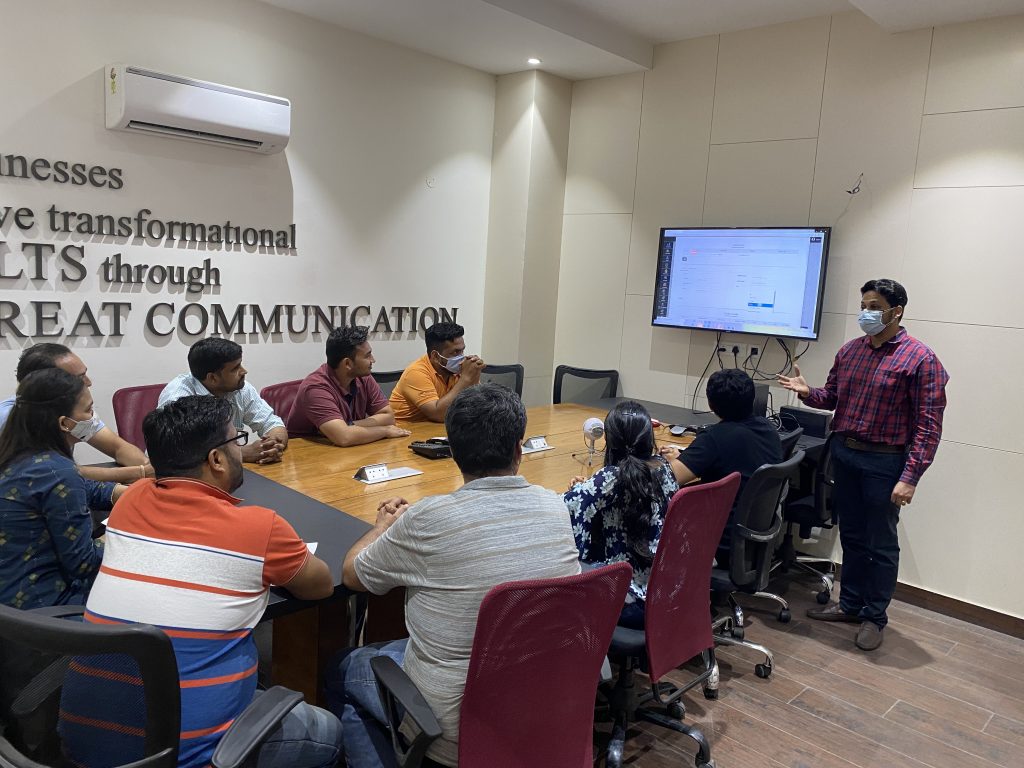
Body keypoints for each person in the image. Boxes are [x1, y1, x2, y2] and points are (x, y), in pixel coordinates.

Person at [58, 395, 342, 768]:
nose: (240, 450)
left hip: (84, 742)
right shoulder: (260, 528)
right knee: (327, 730)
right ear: (216, 459)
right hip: (184, 757)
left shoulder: (130, 502)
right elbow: (320, 586)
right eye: (236, 440)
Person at [326, 384, 580, 767]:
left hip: (455, 728)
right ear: (518, 449)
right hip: (545, 706)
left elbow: (352, 575)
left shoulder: (428, 519)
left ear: (453, 453)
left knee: (343, 667)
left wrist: (381, 527)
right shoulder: (555, 506)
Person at [778, 278, 948, 652]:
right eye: (863, 306)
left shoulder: (921, 359)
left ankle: (875, 616)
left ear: (896, 311)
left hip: (885, 461)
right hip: (844, 454)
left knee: (881, 543)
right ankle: (851, 604)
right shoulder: (851, 351)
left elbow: (928, 426)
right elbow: (832, 397)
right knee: (852, 535)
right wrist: (808, 393)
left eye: (874, 307)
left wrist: (911, 476)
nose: (866, 313)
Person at [0, 369, 126, 610]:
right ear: (65, 423)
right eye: (89, 410)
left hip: (10, 604)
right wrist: (127, 534)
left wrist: (125, 492)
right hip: (48, 610)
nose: (93, 417)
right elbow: (85, 563)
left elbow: (83, 487)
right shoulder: (57, 471)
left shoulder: (16, 454)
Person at [563, 401, 678, 629]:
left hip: (629, 601)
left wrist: (580, 490)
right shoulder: (663, 468)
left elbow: (563, 508)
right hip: (667, 591)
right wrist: (590, 487)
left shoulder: (609, 478)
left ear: (610, 441)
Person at [659, 368, 783, 566]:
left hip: (719, 542)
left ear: (711, 404)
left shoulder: (715, 438)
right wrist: (686, 458)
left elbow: (667, 478)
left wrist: (666, 459)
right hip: (752, 537)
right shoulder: (768, 428)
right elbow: (733, 458)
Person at [0, 343, 152, 484]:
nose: (88, 382)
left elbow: (118, 448)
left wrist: (152, 469)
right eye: (79, 378)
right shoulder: (11, 420)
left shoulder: (74, 412)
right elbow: (50, 472)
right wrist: (140, 473)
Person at [159, 337, 289, 464]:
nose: (244, 371)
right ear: (213, 378)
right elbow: (177, 453)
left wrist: (271, 445)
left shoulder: (240, 389)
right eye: (235, 368)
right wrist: (241, 453)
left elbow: (271, 423)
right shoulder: (178, 398)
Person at [287, 325, 410, 446]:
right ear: (347, 364)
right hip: (307, 453)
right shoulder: (315, 388)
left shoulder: (364, 377)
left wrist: (350, 426)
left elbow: (388, 417)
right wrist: (385, 431)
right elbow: (344, 438)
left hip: (349, 450)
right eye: (367, 355)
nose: (373, 360)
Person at [388, 321, 485, 423]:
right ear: (435, 356)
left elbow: (479, 405)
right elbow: (438, 415)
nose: (461, 357)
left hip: (439, 428)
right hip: (406, 429)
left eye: (462, 351)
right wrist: (466, 379)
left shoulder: (456, 370)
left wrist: (475, 375)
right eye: (455, 352)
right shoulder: (416, 372)